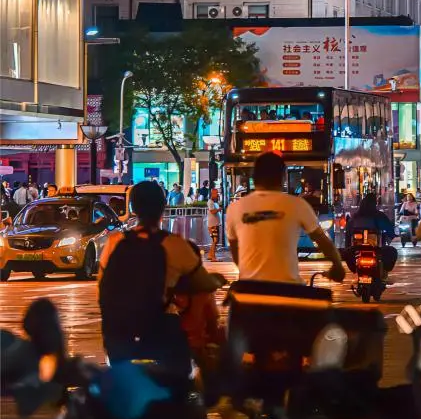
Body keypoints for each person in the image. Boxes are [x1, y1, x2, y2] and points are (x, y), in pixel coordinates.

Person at [98, 180, 223, 373]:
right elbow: (203, 285)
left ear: (132, 208)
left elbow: (102, 285)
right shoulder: (176, 245)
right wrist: (216, 281)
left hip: (118, 334)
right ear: (163, 207)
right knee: (183, 367)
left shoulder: (114, 243)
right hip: (160, 330)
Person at [226, 152, 345, 284]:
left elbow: (236, 252)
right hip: (289, 290)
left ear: (253, 177)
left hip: (248, 292)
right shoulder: (297, 204)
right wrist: (338, 266)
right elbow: (323, 242)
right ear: (282, 177)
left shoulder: (234, 208)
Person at [346, 192, 398, 273]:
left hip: (357, 249)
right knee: (393, 252)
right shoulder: (379, 216)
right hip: (376, 249)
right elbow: (389, 230)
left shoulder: (354, 217)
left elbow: (348, 234)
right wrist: (391, 236)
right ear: (374, 203)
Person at [207, 188, 222, 263]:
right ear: (212, 194)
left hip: (215, 224)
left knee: (215, 240)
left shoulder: (214, 202)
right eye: (216, 193)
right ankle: (213, 257)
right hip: (212, 225)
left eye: (217, 193)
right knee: (215, 240)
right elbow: (212, 211)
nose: (217, 194)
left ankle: (210, 255)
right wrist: (219, 209)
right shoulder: (210, 202)